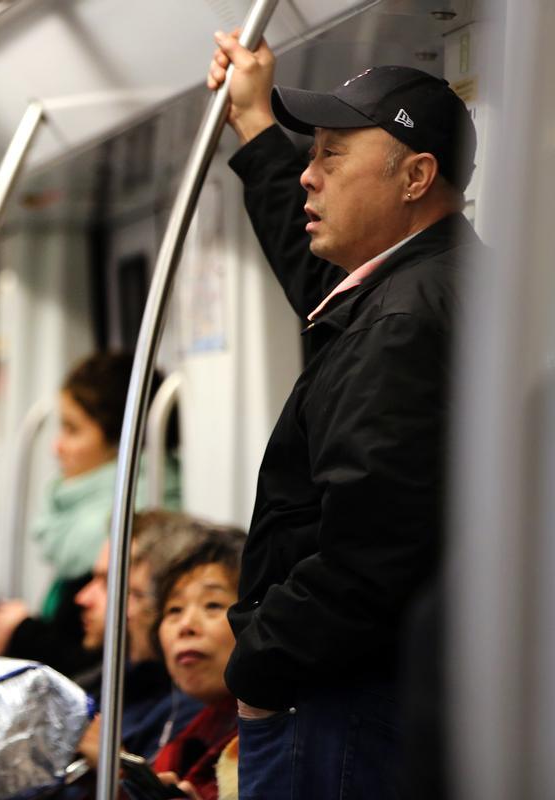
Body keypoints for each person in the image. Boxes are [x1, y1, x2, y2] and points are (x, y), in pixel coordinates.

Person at [206, 30, 482, 798]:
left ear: (415, 176)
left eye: (331, 155)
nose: (307, 177)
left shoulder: (400, 321)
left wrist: (259, 665)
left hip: (342, 696)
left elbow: (374, 545)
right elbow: (314, 276)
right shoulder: (430, 282)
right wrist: (256, 126)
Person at [0, 352, 166, 677]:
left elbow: (105, 665)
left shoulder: (132, 524)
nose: (56, 447)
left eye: (73, 430)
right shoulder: (81, 523)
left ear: (118, 441)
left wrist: (23, 634)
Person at [73, 510, 211, 773]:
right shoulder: (104, 683)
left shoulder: (183, 706)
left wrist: (121, 770)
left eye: (109, 583)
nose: (83, 597)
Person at [148, 528, 247, 800]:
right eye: (174, 610)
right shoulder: (181, 745)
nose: (186, 626)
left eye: (212, 605)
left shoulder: (275, 739)